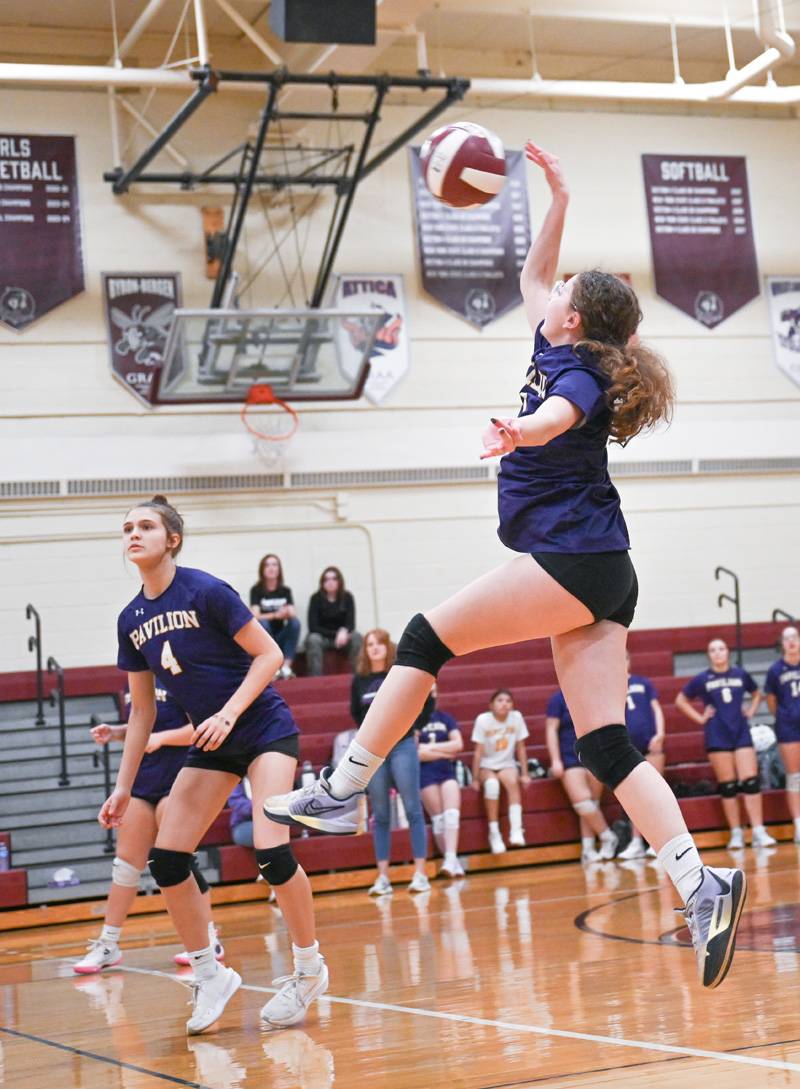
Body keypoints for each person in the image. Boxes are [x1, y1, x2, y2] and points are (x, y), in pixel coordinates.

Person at [265, 141, 747, 991]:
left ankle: (344, 786)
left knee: (421, 637)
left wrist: (513, 431)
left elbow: (559, 416)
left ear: (574, 320)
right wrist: (556, 195)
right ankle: (700, 884)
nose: (550, 290)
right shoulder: (556, 330)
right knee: (604, 744)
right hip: (601, 569)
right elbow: (537, 267)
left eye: (562, 294)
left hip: (573, 560)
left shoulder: (586, 374)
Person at [100, 495, 327, 1034]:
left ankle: (308, 967)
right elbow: (142, 714)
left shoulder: (206, 590)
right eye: (127, 527)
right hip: (212, 740)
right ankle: (210, 973)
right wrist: (122, 788)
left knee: (271, 851)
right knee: (168, 859)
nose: (134, 533)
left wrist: (227, 712)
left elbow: (270, 655)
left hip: (261, 727)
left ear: (171, 538)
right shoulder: (131, 619)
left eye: (146, 526)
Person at [74, 685, 224, 973]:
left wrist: (162, 739)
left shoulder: (180, 670)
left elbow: (202, 725)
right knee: (125, 866)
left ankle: (208, 938)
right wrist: (117, 732)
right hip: (142, 782)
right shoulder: (136, 678)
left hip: (179, 779)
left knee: (179, 858)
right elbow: (141, 722)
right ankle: (108, 944)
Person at [676, 638, 776, 851]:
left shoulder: (740, 674)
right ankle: (736, 833)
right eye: (713, 650)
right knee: (728, 786)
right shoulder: (703, 679)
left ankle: (758, 831)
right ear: (709, 655)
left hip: (740, 732)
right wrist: (700, 718)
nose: (718, 653)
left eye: (721, 649)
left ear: (728, 652)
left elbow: (757, 693)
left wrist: (750, 710)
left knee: (750, 782)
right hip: (717, 734)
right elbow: (681, 700)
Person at [352, 629, 430, 896]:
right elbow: (356, 715)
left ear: (388, 647)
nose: (374, 648)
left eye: (379, 643)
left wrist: (415, 727)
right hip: (374, 751)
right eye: (369, 644)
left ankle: (420, 874)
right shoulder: (359, 681)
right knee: (381, 814)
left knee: (413, 809)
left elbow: (426, 700)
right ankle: (383, 878)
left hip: (402, 745)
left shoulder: (399, 672)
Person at [545, 688, 617, 863]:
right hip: (569, 756)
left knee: (593, 804)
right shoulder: (558, 699)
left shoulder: (593, 695)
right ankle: (608, 837)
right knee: (583, 803)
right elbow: (551, 730)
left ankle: (588, 848)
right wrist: (555, 760)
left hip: (594, 754)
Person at [618, 654, 666, 859]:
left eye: (625, 658)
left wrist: (660, 734)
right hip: (627, 746)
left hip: (650, 745)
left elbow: (656, 709)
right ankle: (636, 842)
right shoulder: (610, 686)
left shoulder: (642, 683)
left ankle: (660, 845)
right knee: (635, 797)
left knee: (655, 795)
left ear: (630, 661)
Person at [471, 690, 531, 853]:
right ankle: (494, 833)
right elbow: (478, 752)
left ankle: (517, 830)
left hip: (507, 764)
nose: (504, 703)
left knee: (513, 781)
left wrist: (525, 774)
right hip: (487, 765)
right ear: (491, 705)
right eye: (500, 700)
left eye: (508, 701)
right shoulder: (483, 720)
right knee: (491, 785)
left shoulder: (516, 717)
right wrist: (475, 778)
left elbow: (521, 748)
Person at [417, 683, 464, 877]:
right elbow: (416, 754)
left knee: (452, 814)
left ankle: (451, 860)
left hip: (447, 772)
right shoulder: (415, 721)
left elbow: (458, 744)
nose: (432, 695)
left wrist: (430, 750)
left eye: (434, 692)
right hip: (425, 774)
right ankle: (450, 861)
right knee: (439, 820)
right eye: (428, 692)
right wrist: (445, 752)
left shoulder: (446, 718)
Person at [763, 625, 800, 842]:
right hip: (789, 728)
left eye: (795, 636)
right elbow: (771, 700)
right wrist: (786, 716)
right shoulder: (776, 670)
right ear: (782, 644)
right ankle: (798, 825)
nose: (791, 641)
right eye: (786, 638)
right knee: (795, 778)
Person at [249, 554, 301, 679]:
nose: (271, 568)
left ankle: (286, 667)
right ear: (262, 569)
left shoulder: (285, 590)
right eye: (267, 565)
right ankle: (274, 667)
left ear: (279, 569)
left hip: (281, 635)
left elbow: (293, 612)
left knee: (295, 622)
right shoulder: (256, 590)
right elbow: (255, 616)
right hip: (265, 638)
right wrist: (275, 615)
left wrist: (286, 613)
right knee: (263, 623)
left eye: (274, 565)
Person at [305, 567, 362, 676]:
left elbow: (351, 623)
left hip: (344, 638)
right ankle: (315, 679)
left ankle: (358, 676)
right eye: (326, 579)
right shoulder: (315, 598)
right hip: (324, 638)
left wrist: (344, 632)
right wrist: (337, 634)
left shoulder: (347, 597)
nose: (330, 582)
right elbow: (313, 627)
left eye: (334, 579)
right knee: (312, 639)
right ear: (322, 583)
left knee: (356, 636)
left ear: (339, 581)